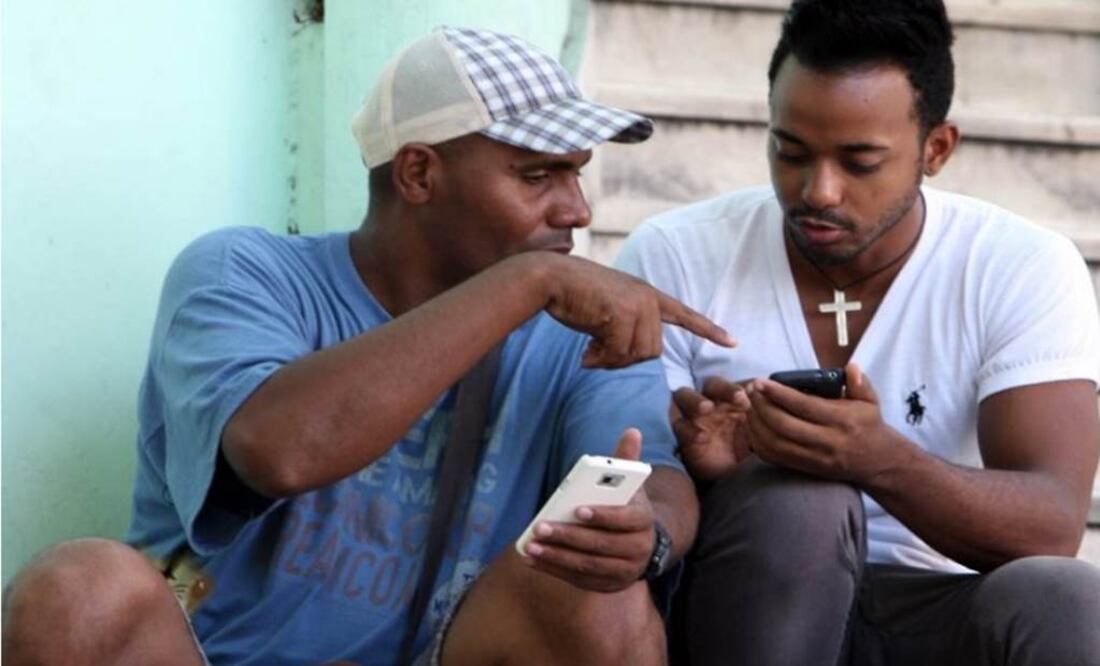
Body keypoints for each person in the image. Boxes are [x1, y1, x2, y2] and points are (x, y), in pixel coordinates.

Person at [2, 27, 734, 665]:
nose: (575, 209)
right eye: (537, 175)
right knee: (78, 591)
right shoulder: (245, 274)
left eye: (577, 172)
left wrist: (651, 537)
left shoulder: (572, 326)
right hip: (212, 655)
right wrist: (524, 282)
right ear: (419, 173)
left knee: (599, 597)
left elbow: (656, 478)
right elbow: (280, 449)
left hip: (450, 650)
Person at [616, 1, 1100, 664]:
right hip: (742, 596)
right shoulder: (676, 254)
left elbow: (1052, 524)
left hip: (930, 608)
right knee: (798, 503)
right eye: (790, 152)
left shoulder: (1018, 264)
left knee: (1067, 599)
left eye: (860, 162)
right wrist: (713, 472)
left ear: (936, 149)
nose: (818, 191)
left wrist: (880, 459)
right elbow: (627, 489)